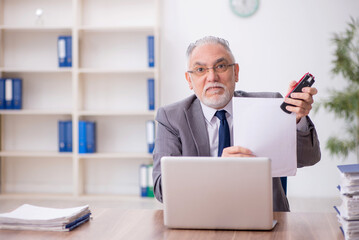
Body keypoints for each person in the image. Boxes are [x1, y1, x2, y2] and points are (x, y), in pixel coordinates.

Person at [152, 36, 321, 212]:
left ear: (236, 72)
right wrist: (218, 170)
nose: (212, 77)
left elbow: (309, 157)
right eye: (200, 69)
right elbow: (162, 188)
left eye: (221, 66)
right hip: (201, 215)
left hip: (263, 217)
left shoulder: (270, 105)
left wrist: (297, 119)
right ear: (189, 80)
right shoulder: (171, 118)